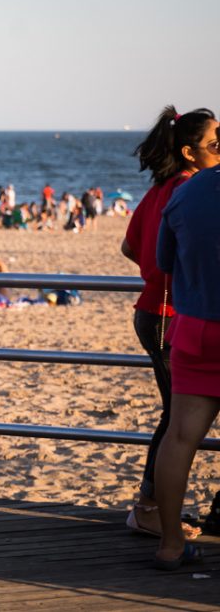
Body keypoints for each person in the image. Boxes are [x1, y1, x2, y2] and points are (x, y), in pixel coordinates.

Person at [122, 106, 218, 541]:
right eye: (214, 146)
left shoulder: (162, 188)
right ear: (190, 153)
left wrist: (156, 271)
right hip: (171, 315)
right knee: (175, 422)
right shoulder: (190, 189)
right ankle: (147, 508)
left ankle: (156, 514)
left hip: (154, 310)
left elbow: (130, 246)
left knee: (175, 420)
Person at [153, 147, 220, 569]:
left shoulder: (187, 191)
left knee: (179, 439)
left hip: (197, 329)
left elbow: (163, 261)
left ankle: (171, 544)